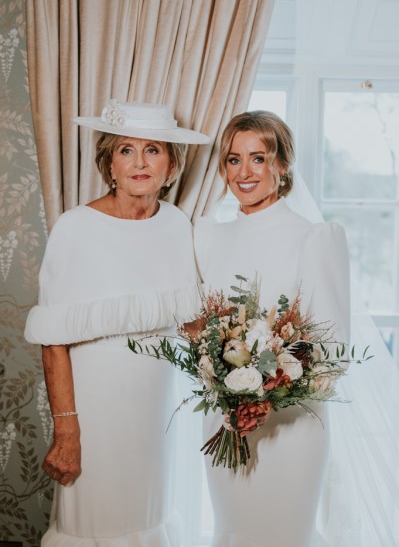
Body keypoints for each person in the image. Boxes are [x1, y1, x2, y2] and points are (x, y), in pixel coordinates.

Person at [24, 99, 209, 546]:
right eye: (126, 150)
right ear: (109, 162)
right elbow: (53, 342)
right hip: (95, 410)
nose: (140, 162)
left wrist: (234, 378)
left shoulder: (177, 225)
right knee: (95, 523)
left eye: (153, 150)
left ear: (171, 164)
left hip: (158, 412)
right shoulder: (75, 228)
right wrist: (67, 431)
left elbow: (192, 323)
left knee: (149, 516)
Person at [194, 110, 350, 547]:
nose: (244, 172)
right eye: (232, 159)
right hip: (223, 424)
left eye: (257, 158)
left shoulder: (314, 238)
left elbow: (334, 350)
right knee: (233, 533)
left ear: (281, 165)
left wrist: (269, 386)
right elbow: (200, 328)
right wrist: (222, 380)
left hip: (292, 427)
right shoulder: (207, 237)